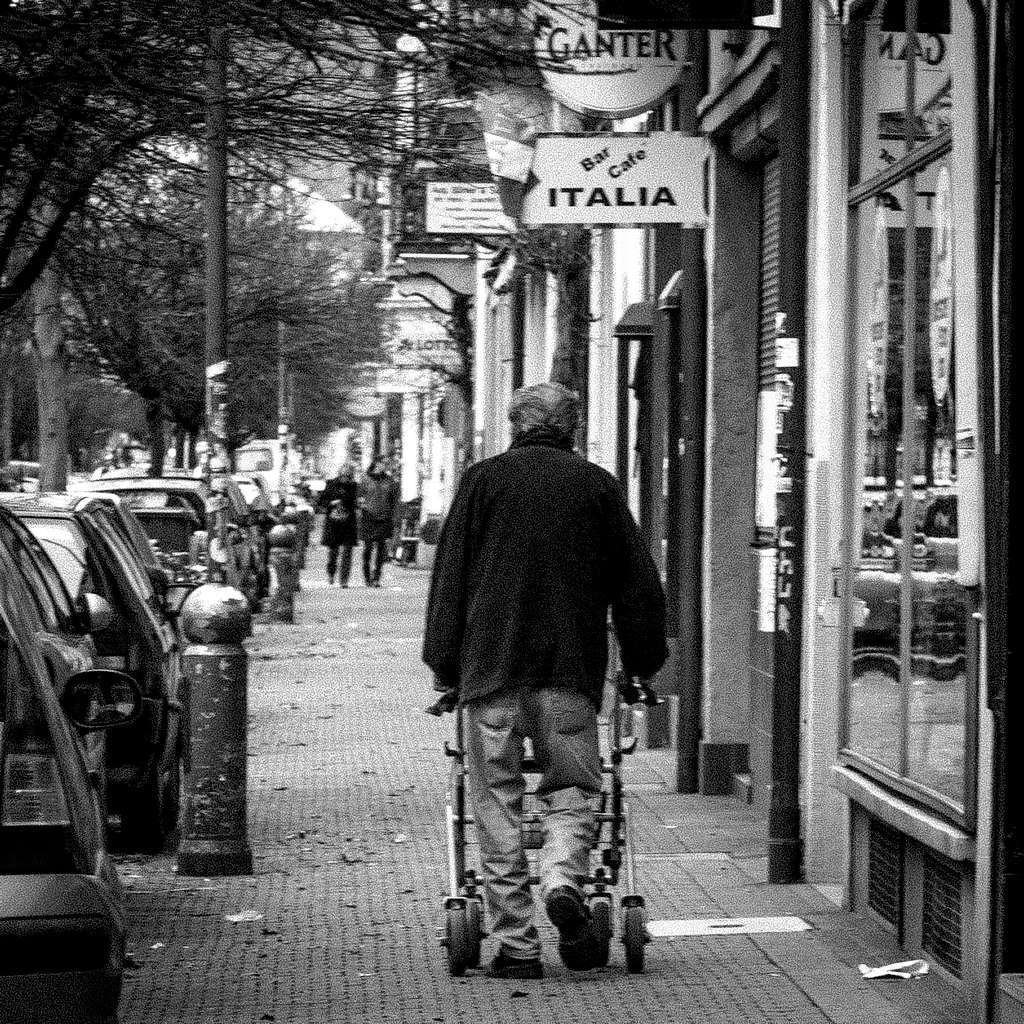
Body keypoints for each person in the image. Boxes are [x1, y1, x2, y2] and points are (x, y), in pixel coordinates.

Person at [422, 381, 668, 980]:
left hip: (491, 674)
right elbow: (638, 588)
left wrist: (446, 668)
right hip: (569, 675)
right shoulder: (596, 486)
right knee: (574, 789)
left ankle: (518, 947)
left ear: (513, 425)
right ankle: (562, 879)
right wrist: (640, 665)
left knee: (497, 801)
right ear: (573, 427)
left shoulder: (482, 482)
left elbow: (450, 579)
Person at [358, 457, 399, 588]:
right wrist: (362, 507)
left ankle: (377, 577)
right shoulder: (365, 479)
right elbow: (359, 496)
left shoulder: (389, 480)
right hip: (369, 517)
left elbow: (393, 499)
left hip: (384, 517)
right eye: (383, 464)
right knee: (368, 548)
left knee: (381, 548)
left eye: (386, 464)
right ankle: (367, 576)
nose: (385, 466)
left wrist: (392, 515)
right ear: (376, 464)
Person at [317, 465, 358, 586]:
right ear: (339, 474)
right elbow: (321, 501)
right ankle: (331, 572)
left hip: (348, 522)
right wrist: (331, 503)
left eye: (348, 476)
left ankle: (344, 580)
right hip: (333, 522)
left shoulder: (354, 486)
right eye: (343, 476)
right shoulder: (331, 484)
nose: (345, 478)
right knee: (333, 552)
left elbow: (355, 502)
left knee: (347, 552)